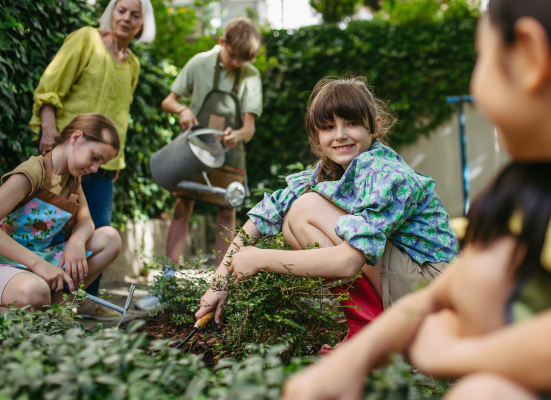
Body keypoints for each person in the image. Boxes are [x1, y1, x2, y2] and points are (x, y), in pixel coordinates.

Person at [281, 0, 551, 399]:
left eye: (482, 57)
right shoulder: (547, 183)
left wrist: (445, 352)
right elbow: (448, 289)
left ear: (529, 56)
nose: (474, 84)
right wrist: (357, 358)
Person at [194, 76, 459, 348]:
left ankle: (375, 339)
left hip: (433, 293)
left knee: (305, 209)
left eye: (352, 123)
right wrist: (218, 284)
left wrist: (260, 258)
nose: (340, 135)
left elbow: (347, 262)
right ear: (317, 135)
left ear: (375, 126)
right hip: (411, 287)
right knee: (293, 217)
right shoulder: (329, 172)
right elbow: (266, 213)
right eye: (329, 127)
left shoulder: (385, 174)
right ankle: (367, 329)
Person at [28, 0, 155, 319]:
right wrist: (48, 131)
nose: (126, 18)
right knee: (51, 230)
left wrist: (116, 159)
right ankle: (36, 297)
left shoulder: (133, 64)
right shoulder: (86, 38)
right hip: (70, 151)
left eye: (134, 14)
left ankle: (82, 303)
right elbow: (51, 84)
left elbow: (120, 115)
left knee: (96, 229)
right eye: (121, 10)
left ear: (142, 23)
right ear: (111, 12)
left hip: (104, 164)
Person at [160, 16, 263, 267]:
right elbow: (168, 101)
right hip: (194, 150)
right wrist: (182, 111)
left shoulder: (251, 75)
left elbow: (249, 128)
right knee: (182, 205)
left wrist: (236, 135)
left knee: (227, 212)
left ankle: (219, 283)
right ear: (222, 42)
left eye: (242, 59)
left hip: (230, 154)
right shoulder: (199, 63)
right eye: (232, 56)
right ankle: (168, 279)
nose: (236, 63)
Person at [0, 113, 122, 313]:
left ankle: (57, 308)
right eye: (94, 158)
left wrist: (77, 240)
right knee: (35, 293)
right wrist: (37, 264)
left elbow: (87, 223)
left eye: (100, 164)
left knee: (110, 238)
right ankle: (38, 310)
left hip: (34, 262)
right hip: (5, 263)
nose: (94, 168)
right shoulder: (31, 173)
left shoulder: (71, 179)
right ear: (76, 138)